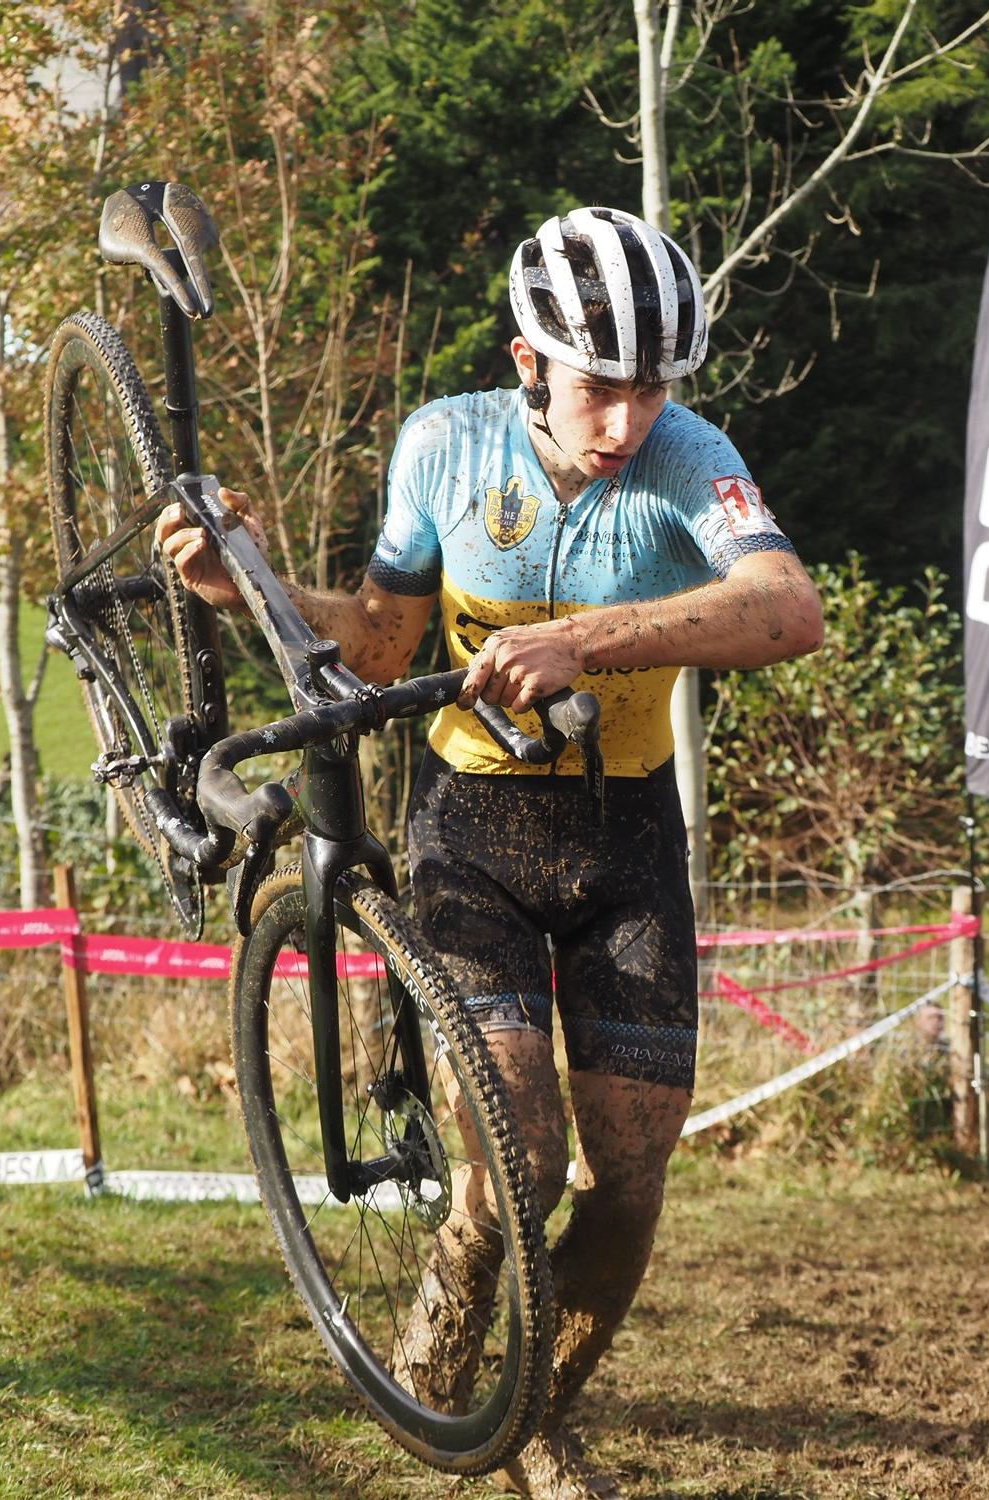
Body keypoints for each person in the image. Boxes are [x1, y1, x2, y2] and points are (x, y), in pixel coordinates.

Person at [159, 205, 823, 1499]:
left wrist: (595, 638)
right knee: (508, 1161)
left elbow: (787, 608)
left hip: (628, 832)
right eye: (599, 387)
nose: (627, 419)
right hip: (476, 834)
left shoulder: (694, 457)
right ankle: (442, 1371)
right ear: (528, 359)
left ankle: (523, 1427)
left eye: (651, 388)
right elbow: (382, 644)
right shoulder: (443, 448)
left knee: (627, 1191)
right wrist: (252, 590)